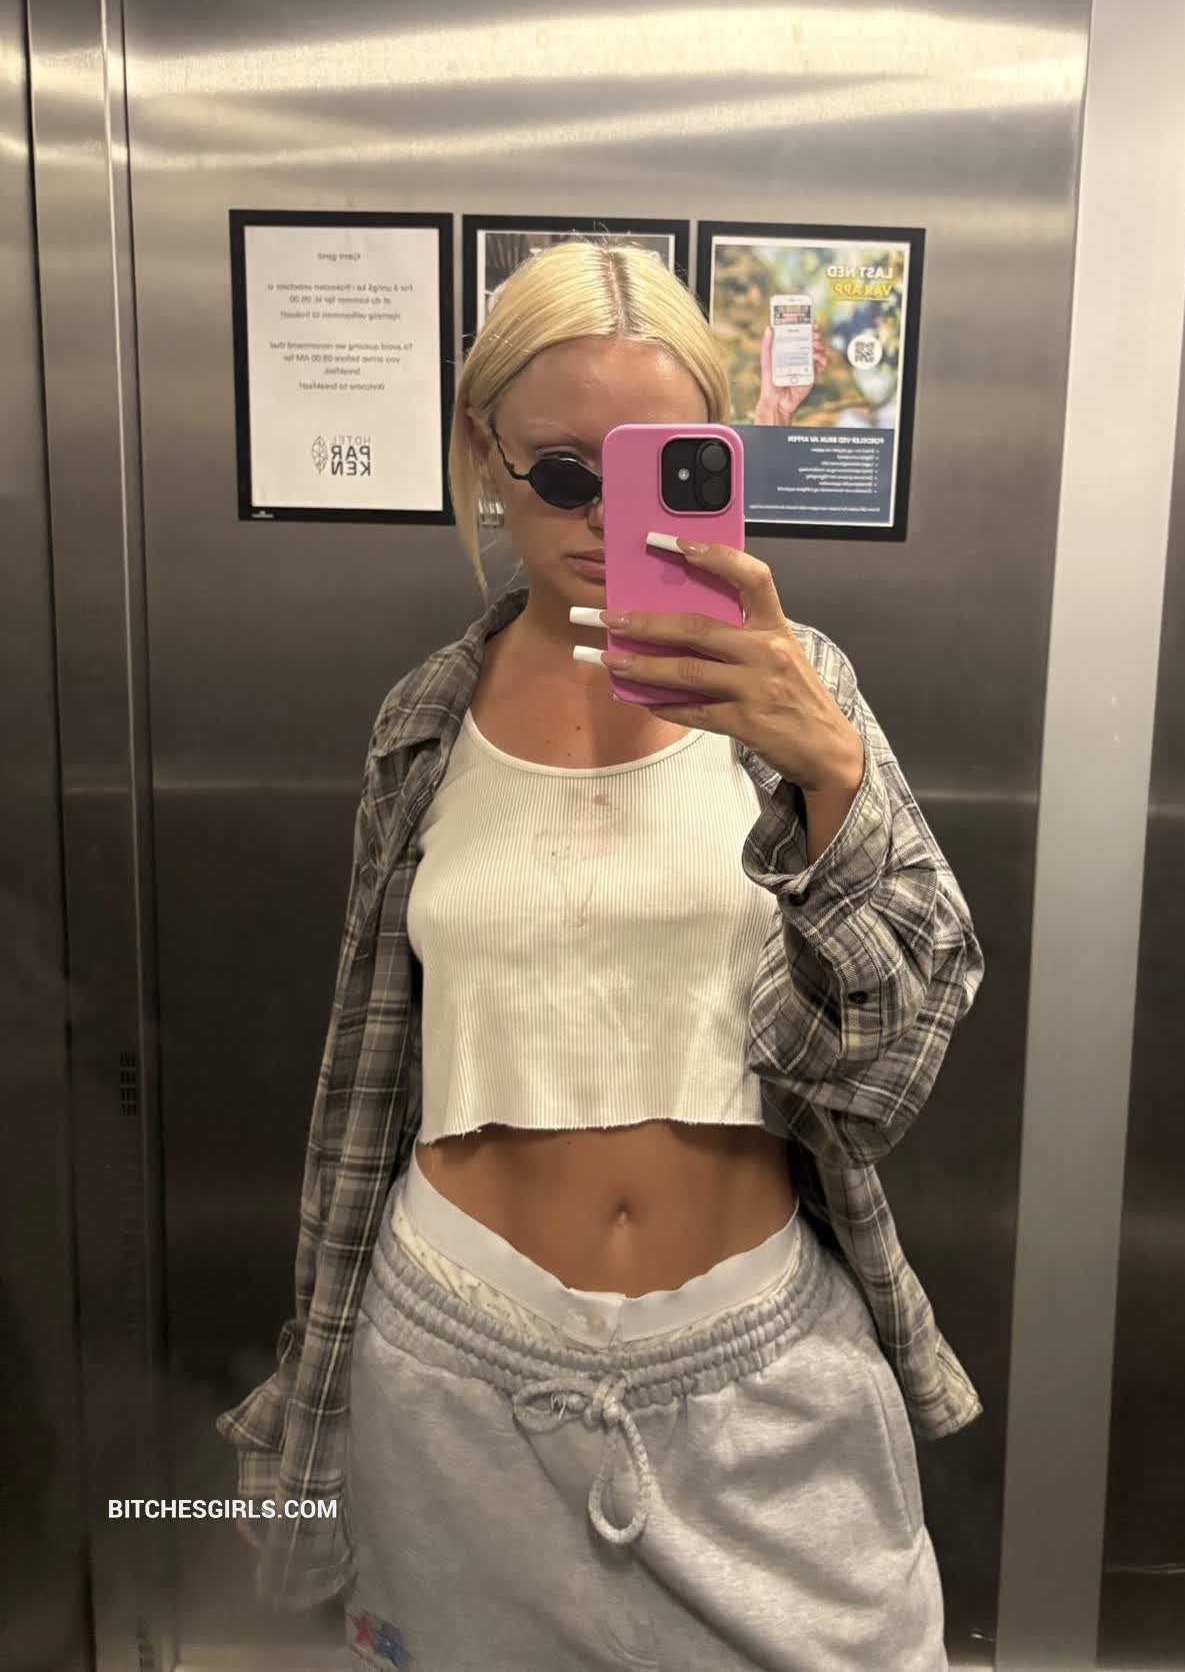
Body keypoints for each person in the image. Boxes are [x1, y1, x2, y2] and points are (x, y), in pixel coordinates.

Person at [218, 240, 986, 1671]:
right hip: (453, 1373)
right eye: (564, 473)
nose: (603, 518)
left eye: (656, 471)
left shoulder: (801, 694)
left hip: (759, 1370)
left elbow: (882, 1077)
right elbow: (362, 1087)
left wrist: (827, 778)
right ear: (485, 455)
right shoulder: (422, 723)